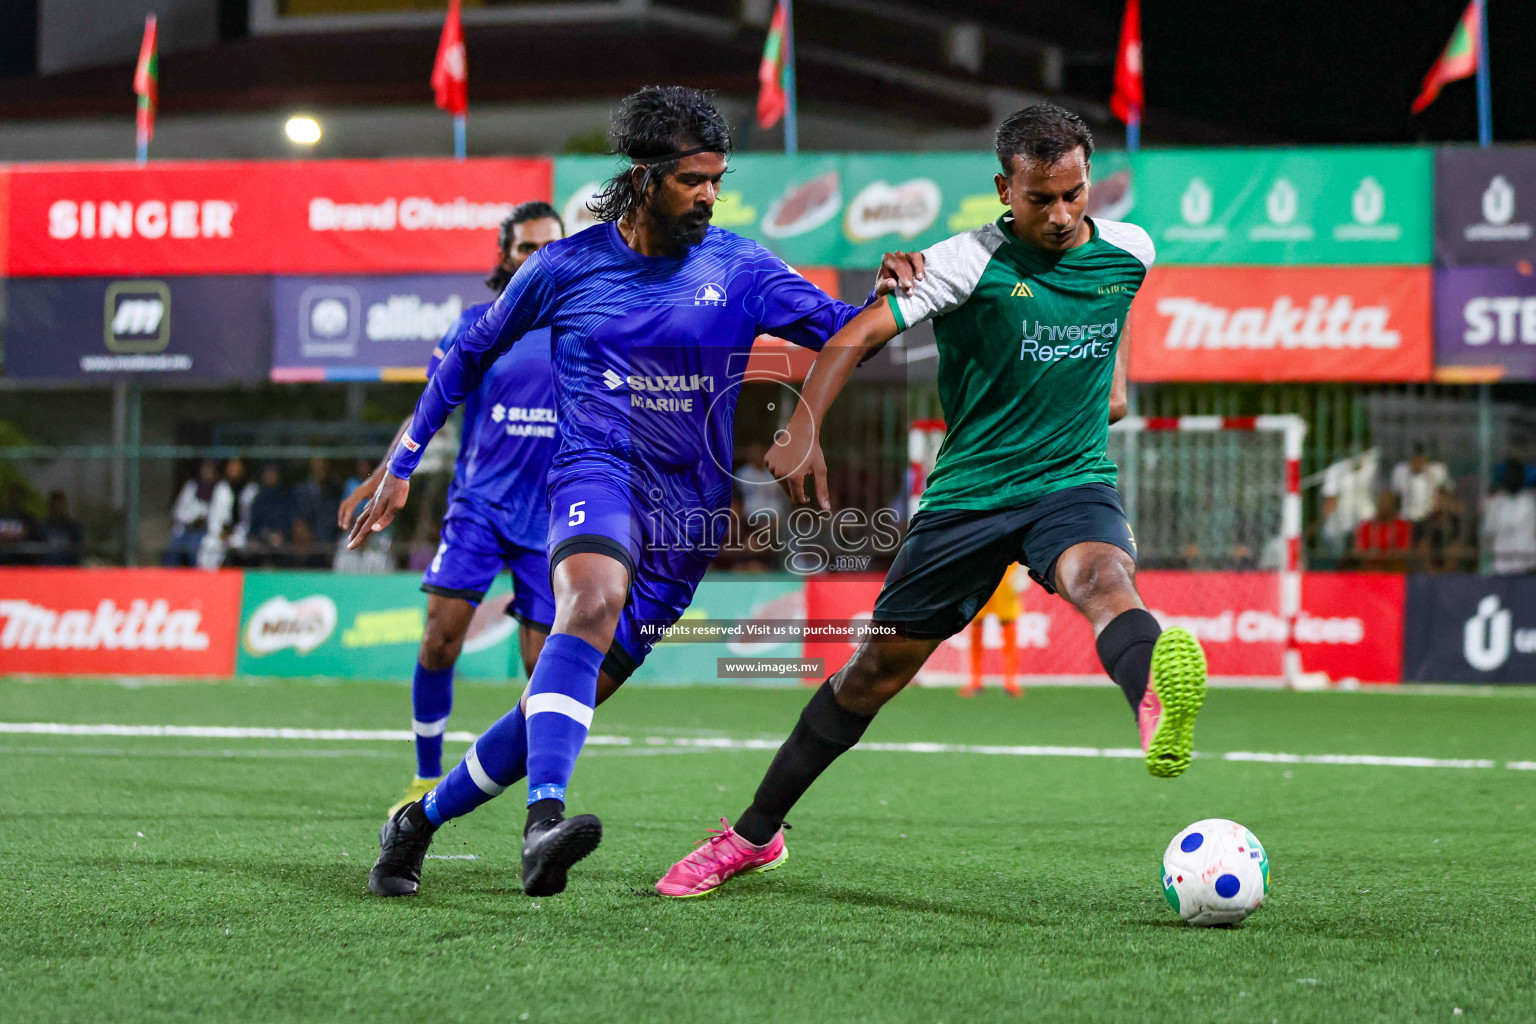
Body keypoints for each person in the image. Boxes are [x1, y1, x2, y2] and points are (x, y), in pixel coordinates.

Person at [352, 86, 921, 899]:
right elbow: (469, 354)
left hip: (689, 521)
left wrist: (894, 292)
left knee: (554, 705)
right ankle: (545, 823)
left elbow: (846, 332)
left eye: (717, 180)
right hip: (595, 473)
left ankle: (417, 824)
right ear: (646, 177)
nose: (709, 195)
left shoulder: (740, 266)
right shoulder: (564, 267)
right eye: (693, 179)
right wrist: (403, 460)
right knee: (588, 603)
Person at [655, 103, 1210, 899]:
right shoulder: (960, 262)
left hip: (1071, 483)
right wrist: (802, 426)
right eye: (1040, 198)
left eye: (1074, 195)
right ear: (1004, 188)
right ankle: (751, 835)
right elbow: (853, 337)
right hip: (970, 499)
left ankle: (1154, 692)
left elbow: (1112, 318)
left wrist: (1111, 388)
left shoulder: (1130, 252)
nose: (1060, 215)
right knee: (871, 675)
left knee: (1104, 581)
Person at [338, 200, 567, 820]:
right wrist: (387, 475)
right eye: (526, 247)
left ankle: (542, 799)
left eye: (550, 245)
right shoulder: (479, 325)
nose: (538, 256)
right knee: (440, 640)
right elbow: (428, 409)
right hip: (480, 511)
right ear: (505, 255)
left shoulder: (585, 329)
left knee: (545, 669)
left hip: (553, 522)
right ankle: (424, 778)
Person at [962, 564, 1023, 698]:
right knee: (976, 621)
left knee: (1007, 622)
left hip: (1006, 574)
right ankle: (975, 679)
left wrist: (1023, 573)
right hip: (980, 574)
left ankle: (1010, 681)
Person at [1481, 461, 1536, 576]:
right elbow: (1487, 532)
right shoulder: (1496, 503)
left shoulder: (1530, 502)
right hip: (1502, 566)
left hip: (1527, 566)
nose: (1513, 478)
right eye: (1510, 475)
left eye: (1516, 475)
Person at [200, 458, 255, 570]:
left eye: (236, 466)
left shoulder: (250, 489)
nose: (233, 469)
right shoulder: (221, 488)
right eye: (230, 466)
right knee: (208, 547)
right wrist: (220, 533)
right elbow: (213, 516)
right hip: (219, 534)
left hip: (241, 533)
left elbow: (249, 518)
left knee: (240, 548)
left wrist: (236, 532)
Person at [165, 460, 217, 567]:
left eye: (210, 471)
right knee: (173, 548)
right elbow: (178, 512)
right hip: (186, 528)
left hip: (204, 530)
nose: (206, 473)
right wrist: (191, 519)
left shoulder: (218, 489)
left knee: (195, 549)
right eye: (205, 470)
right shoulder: (191, 487)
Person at [1391, 443, 1449, 532]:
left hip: (1429, 517)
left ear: (1425, 459)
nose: (1417, 463)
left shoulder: (1436, 471)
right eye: (1414, 459)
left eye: (1420, 459)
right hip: (1406, 517)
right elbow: (1395, 496)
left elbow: (1445, 492)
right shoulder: (1401, 471)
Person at [245, 465, 294, 566]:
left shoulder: (286, 497)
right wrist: (259, 538)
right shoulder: (259, 499)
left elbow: (290, 521)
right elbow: (253, 527)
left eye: (272, 474)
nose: (269, 476)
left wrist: (283, 534)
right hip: (262, 541)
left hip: (283, 542)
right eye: (267, 474)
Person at [1352, 491, 1413, 572]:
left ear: (1394, 507)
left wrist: (1386, 556)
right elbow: (1360, 551)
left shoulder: (1403, 526)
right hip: (1369, 568)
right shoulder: (1366, 526)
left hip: (1394, 569)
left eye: (1387, 504)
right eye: (1381, 503)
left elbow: (1403, 551)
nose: (1383, 507)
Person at [40, 491, 85, 566]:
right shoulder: (43, 525)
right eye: (56, 505)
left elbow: (79, 547)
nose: (58, 508)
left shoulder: (72, 526)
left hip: (67, 568)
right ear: (51, 506)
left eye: (61, 504)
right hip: (47, 568)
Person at [0, 483, 40, 566]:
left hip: (21, 560)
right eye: (11, 495)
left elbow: (30, 536)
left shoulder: (27, 519)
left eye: (16, 495)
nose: (13, 498)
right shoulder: (2, 515)